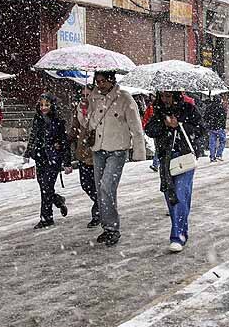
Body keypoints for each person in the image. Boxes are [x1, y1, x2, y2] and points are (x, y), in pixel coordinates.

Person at [86, 70, 147, 247]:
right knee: (100, 189)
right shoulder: (93, 97)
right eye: (97, 81)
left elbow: (136, 126)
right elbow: (88, 123)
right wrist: (83, 109)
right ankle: (107, 227)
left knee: (107, 187)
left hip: (117, 150)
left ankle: (113, 228)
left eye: (103, 81)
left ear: (112, 80)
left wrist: (139, 152)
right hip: (98, 149)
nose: (100, 84)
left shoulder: (125, 98)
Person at [144, 90, 205, 253]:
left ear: (176, 95)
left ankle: (177, 236)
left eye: (168, 96)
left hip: (184, 157)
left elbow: (201, 129)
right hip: (166, 159)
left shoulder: (188, 109)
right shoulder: (158, 110)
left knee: (180, 193)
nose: (165, 99)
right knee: (172, 196)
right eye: (163, 96)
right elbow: (149, 130)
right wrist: (164, 124)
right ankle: (182, 230)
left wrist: (180, 125)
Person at [25, 93, 72, 229]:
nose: (44, 107)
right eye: (41, 105)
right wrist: (29, 151)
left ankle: (46, 218)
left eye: (46, 104)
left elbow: (64, 141)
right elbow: (33, 135)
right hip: (40, 157)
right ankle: (57, 200)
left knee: (46, 187)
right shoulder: (37, 119)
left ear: (52, 105)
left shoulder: (58, 121)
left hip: (53, 158)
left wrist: (67, 161)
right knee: (43, 187)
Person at [69, 84, 100, 228]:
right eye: (83, 95)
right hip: (83, 151)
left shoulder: (100, 108)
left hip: (98, 150)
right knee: (85, 184)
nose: (85, 98)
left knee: (98, 184)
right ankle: (100, 203)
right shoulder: (79, 110)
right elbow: (74, 129)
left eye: (88, 95)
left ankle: (98, 212)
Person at [204, 94, 228, 162]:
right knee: (222, 141)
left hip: (211, 128)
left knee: (212, 143)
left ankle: (212, 157)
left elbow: (205, 117)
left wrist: (209, 124)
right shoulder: (221, 108)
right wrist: (223, 126)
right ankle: (219, 154)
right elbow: (223, 118)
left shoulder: (209, 107)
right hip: (220, 127)